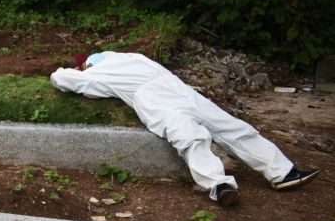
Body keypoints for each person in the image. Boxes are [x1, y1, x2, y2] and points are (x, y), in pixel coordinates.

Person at [50, 52, 320, 206]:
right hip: (165, 95)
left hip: (172, 91)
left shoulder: (104, 67)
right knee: (199, 136)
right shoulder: (117, 64)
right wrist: (76, 72)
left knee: (227, 129)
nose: (80, 68)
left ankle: (282, 173)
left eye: (81, 65)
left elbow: (63, 78)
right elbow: (71, 80)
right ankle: (222, 185)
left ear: (89, 63)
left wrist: (67, 70)